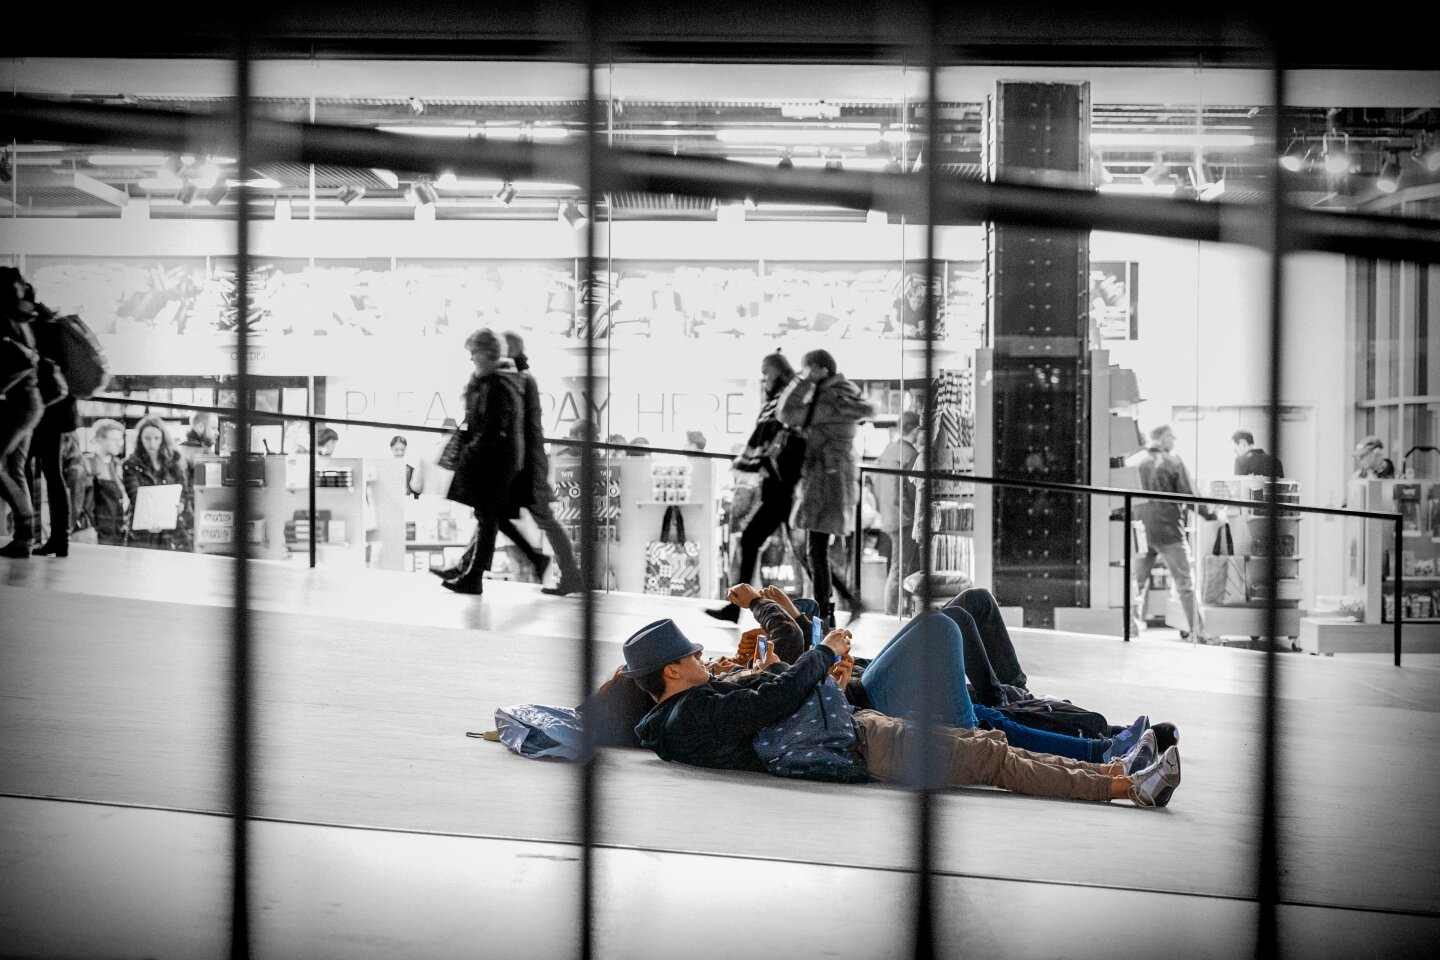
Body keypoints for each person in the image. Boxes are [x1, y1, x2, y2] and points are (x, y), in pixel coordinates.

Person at [623, 587, 1182, 808]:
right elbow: (775, 697)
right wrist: (823, 654)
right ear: (672, 671)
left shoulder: (683, 713)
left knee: (988, 743)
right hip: (857, 745)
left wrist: (797, 669)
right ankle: (1127, 784)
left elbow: (770, 695)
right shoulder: (690, 715)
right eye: (694, 657)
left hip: (851, 729)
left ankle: (1118, 768)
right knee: (989, 754)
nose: (703, 659)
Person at [775, 348, 875, 624]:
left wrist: (800, 382)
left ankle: (826, 611)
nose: (802, 373)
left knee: (814, 549)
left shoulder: (831, 397)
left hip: (825, 479)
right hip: (830, 477)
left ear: (820, 369)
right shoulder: (838, 394)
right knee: (813, 548)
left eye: (806, 368)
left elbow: (786, 413)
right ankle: (835, 607)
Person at [706, 351, 806, 623]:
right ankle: (735, 607)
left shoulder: (785, 401)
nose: (764, 378)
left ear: (778, 372)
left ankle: (735, 607)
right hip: (780, 487)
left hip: (783, 487)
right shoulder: (782, 399)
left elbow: (773, 439)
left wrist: (752, 461)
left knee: (759, 542)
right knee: (801, 551)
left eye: (766, 372)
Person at [496, 330, 585, 596]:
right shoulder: (523, 378)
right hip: (527, 462)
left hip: (525, 464)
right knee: (495, 515)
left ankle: (567, 573)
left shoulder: (522, 380)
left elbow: (524, 427)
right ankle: (568, 574)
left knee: (507, 516)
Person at [440, 328, 526, 595]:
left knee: (488, 518)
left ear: (487, 353)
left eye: (474, 353)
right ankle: (471, 574)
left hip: (494, 464)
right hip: (497, 462)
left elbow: (491, 430)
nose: (472, 359)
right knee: (488, 518)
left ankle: (473, 576)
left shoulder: (496, 384)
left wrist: (469, 453)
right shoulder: (496, 381)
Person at [1126, 424, 1216, 641]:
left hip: (1141, 531)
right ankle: (1200, 633)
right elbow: (1191, 496)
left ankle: (1130, 629)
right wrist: (1212, 515)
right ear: (1164, 438)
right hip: (1169, 532)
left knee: (1136, 584)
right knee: (1185, 583)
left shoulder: (1133, 461)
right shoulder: (1173, 462)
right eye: (1173, 438)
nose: (1174, 443)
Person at [23, 285, 82, 557]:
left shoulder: (34, 326)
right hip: (58, 409)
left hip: (42, 408)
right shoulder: (51, 322)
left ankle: (29, 536)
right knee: (52, 473)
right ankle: (59, 539)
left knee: (22, 470)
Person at [0, 267, 44, 559]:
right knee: (15, 468)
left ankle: (25, 530)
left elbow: (23, 362)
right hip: (32, 403)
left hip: (18, 404)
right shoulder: (24, 317)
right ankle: (24, 539)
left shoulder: (6, 319)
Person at [122, 415, 194, 551]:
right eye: (147, 438)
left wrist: (181, 504)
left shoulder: (174, 461)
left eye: (156, 438)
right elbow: (135, 495)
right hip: (143, 527)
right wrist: (151, 516)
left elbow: (183, 490)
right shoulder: (131, 464)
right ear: (140, 439)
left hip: (173, 527)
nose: (152, 443)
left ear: (163, 438)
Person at [875, 410, 922, 615]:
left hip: (889, 515)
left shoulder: (889, 450)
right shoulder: (910, 454)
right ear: (916, 430)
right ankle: (892, 614)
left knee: (896, 568)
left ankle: (893, 612)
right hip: (904, 518)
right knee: (899, 569)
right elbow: (914, 491)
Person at [79, 418, 130, 546]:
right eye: (114, 440)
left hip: (118, 531)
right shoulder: (87, 464)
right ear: (100, 439)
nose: (120, 444)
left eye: (121, 439)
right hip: (95, 532)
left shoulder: (119, 466)